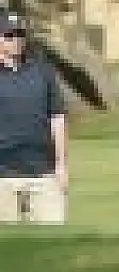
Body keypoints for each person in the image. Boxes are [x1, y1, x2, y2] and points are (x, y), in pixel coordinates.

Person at [0, 11, 68, 225]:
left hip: (43, 174)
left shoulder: (42, 71)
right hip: (3, 177)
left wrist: (62, 165)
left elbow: (57, 118)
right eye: (9, 35)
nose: (16, 40)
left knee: (53, 237)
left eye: (20, 34)